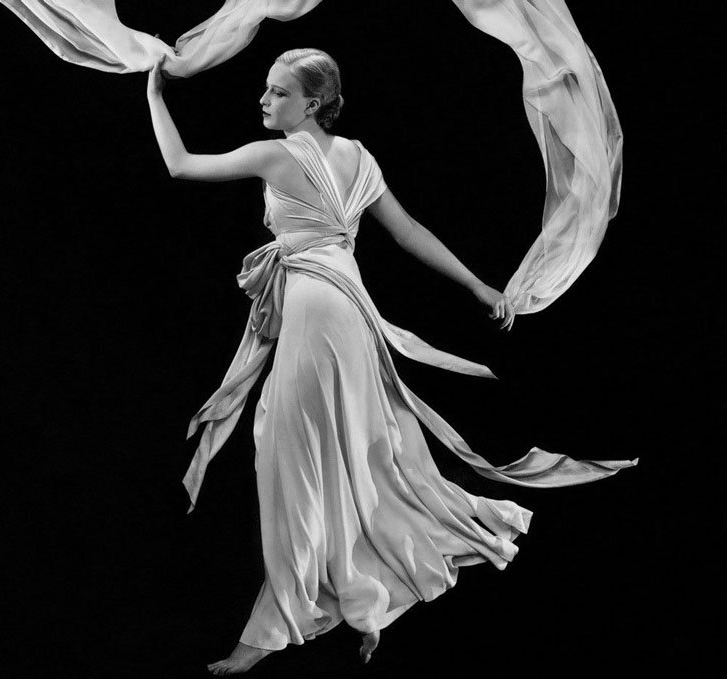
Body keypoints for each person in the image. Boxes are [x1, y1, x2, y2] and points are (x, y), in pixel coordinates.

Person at [147, 48, 563, 676]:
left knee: (294, 452)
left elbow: (179, 166)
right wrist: (480, 287)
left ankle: (278, 626)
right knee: (351, 448)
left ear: (311, 104)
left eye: (278, 92)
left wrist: (153, 95)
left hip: (321, 313)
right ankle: (359, 594)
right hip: (349, 311)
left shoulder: (276, 155)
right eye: (266, 89)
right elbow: (409, 231)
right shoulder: (357, 157)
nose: (263, 100)